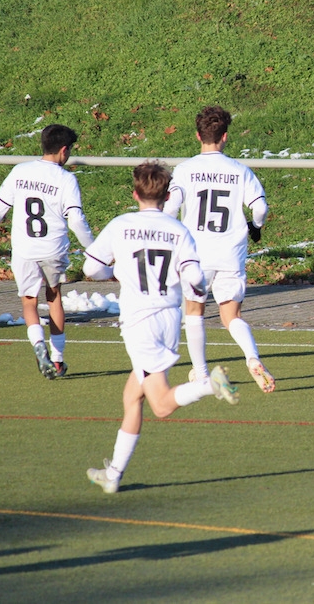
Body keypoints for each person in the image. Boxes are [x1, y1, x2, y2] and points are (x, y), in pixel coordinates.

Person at [82, 161, 239, 494]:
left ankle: (209, 385)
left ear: (134, 194)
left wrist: (115, 273)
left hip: (140, 322)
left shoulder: (121, 225)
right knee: (132, 395)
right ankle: (113, 474)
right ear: (168, 196)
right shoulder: (178, 230)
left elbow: (90, 268)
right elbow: (194, 277)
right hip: (169, 318)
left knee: (162, 405)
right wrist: (195, 290)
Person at [163, 105, 275, 392]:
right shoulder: (240, 171)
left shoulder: (185, 170)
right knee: (231, 316)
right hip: (230, 253)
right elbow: (260, 208)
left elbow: (171, 208)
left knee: (194, 312)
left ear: (197, 136)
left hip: (195, 254)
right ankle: (252, 357)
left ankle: (201, 374)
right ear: (225, 136)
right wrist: (256, 226)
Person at [0, 124, 95, 380]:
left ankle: (38, 344)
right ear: (64, 150)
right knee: (54, 297)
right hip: (53, 248)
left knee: (29, 301)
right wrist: (93, 248)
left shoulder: (20, 171)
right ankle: (57, 359)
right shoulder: (66, 179)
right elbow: (76, 220)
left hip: (24, 249)